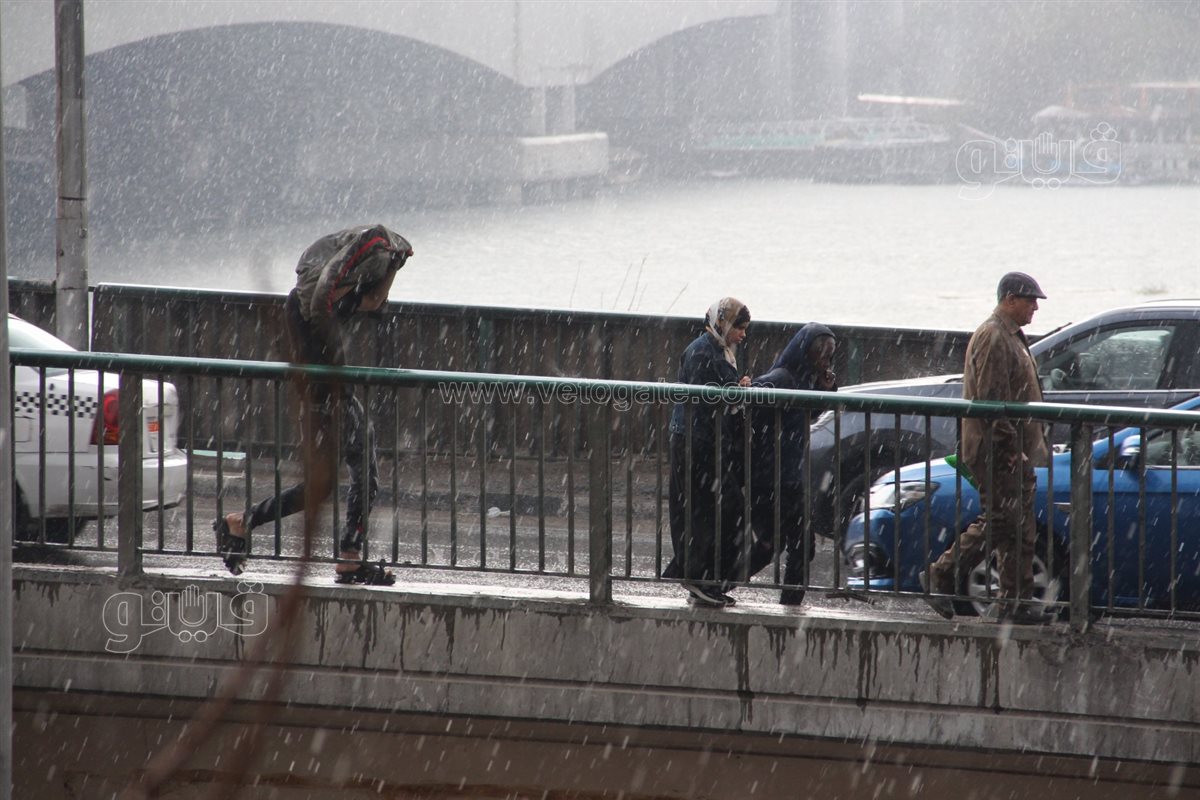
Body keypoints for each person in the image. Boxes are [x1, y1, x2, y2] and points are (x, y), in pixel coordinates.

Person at [213, 224, 414, 584]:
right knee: (343, 480)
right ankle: (242, 521)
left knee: (351, 476)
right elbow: (374, 302)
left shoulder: (309, 298)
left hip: (327, 394)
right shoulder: (320, 303)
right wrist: (394, 269)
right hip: (326, 396)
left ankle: (346, 553)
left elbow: (367, 302)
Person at [919, 272, 1052, 624]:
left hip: (1009, 448)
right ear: (1010, 299)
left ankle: (1015, 601)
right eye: (1030, 300)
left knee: (1018, 525)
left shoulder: (1009, 335)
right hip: (998, 450)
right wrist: (1008, 445)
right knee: (1002, 520)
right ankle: (941, 573)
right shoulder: (994, 336)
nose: (1035, 307)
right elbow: (991, 399)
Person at [739, 323, 838, 606]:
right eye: (820, 351)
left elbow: (805, 416)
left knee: (796, 545)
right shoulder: (781, 378)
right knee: (775, 544)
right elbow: (750, 405)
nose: (825, 359)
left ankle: (790, 602)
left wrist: (826, 390)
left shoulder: (804, 380)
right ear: (805, 351)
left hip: (789, 477)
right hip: (769, 477)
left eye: (829, 353)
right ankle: (717, 583)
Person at [663, 297, 752, 607]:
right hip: (696, 442)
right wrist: (737, 390)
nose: (742, 334)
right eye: (739, 327)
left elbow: (721, 392)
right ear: (722, 324)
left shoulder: (715, 350)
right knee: (709, 510)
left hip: (700, 440)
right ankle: (699, 578)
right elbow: (713, 398)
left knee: (712, 510)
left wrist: (735, 388)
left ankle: (705, 580)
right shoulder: (704, 352)